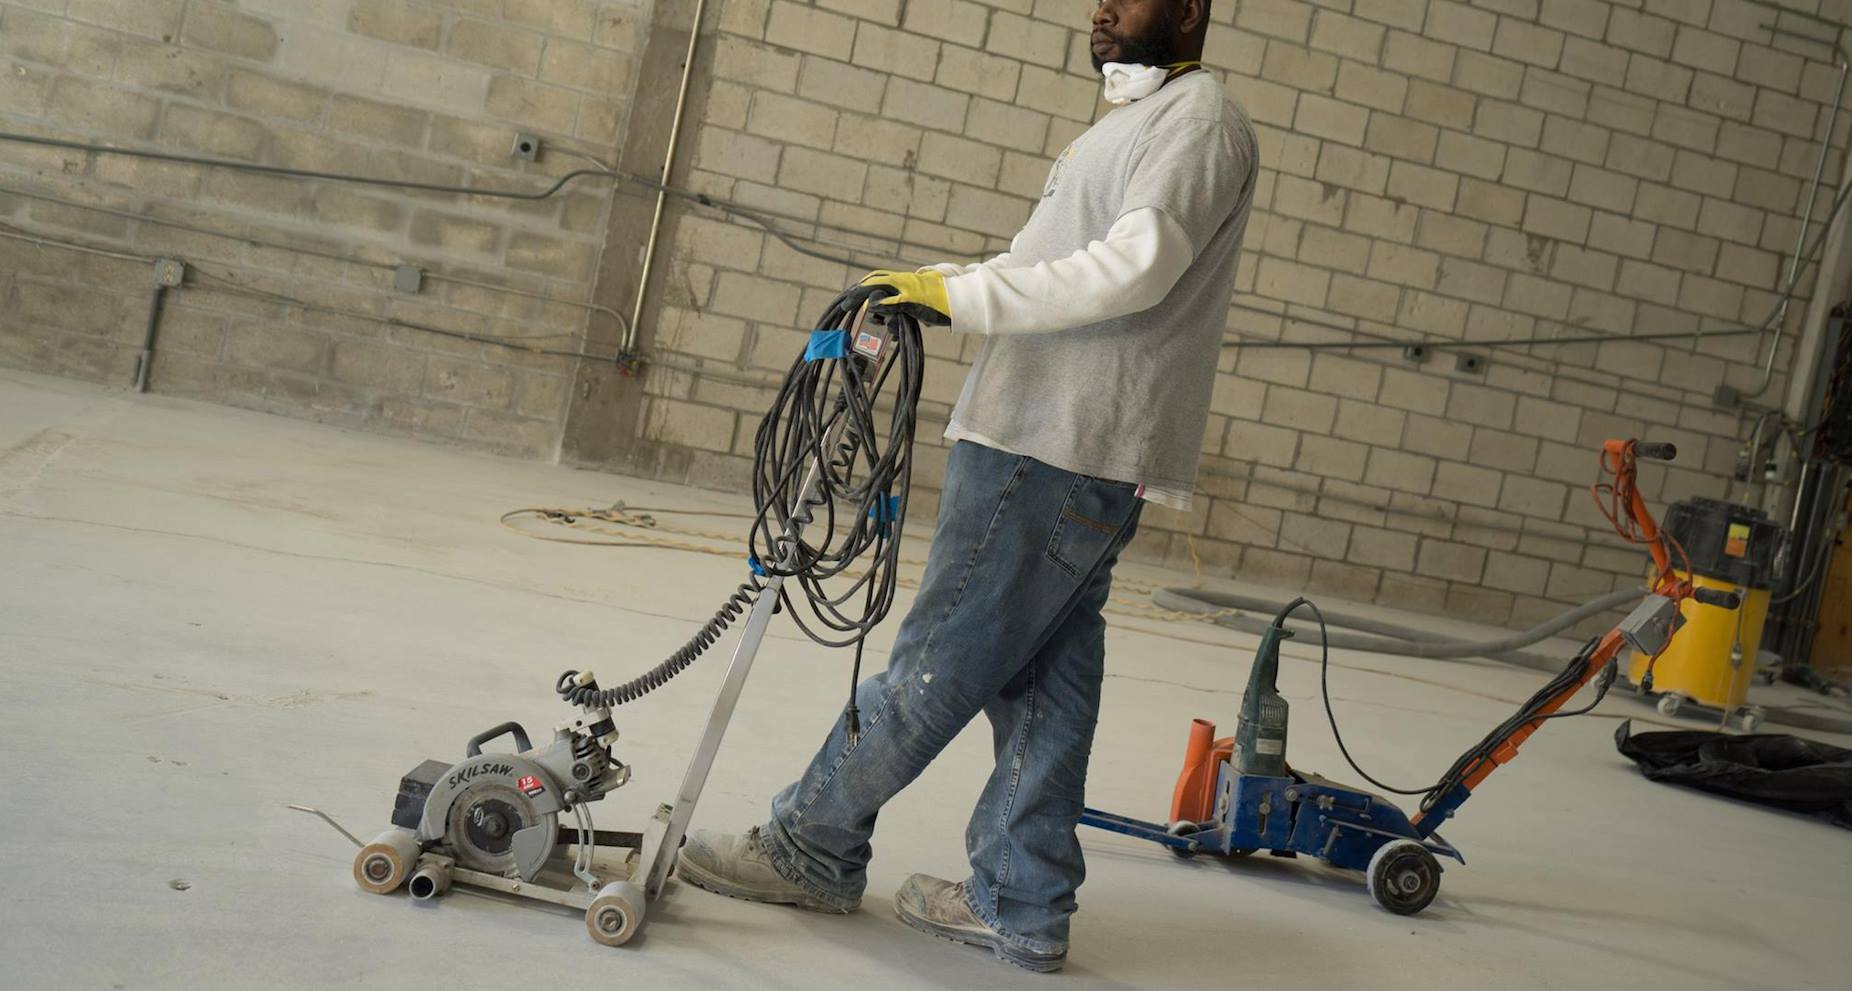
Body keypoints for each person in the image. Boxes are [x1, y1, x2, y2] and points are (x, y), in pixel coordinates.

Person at [677, 0, 1257, 972]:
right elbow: (1042, 268)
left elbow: (1131, 270)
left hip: (1056, 442)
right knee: (1041, 681)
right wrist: (935, 284)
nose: (1103, 6)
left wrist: (964, 296)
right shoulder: (1125, 125)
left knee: (938, 658)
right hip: (1057, 440)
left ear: (1192, 9)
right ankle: (1022, 901)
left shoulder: (1196, 124)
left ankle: (809, 844)